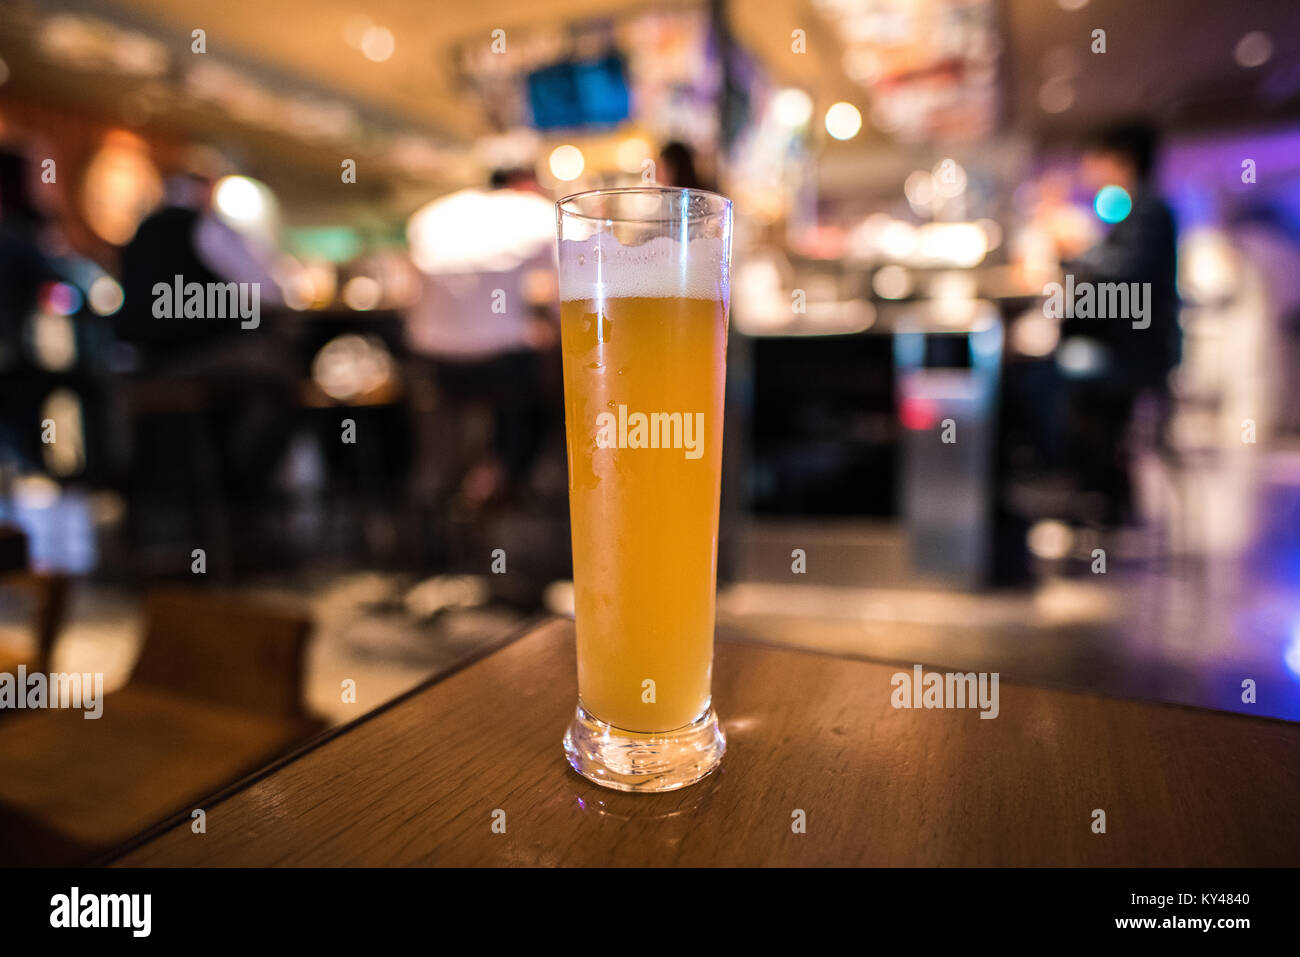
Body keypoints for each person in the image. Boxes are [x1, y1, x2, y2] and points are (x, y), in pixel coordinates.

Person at [1055, 122, 1180, 525]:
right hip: (1130, 347)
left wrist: (1075, 256)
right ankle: (1101, 487)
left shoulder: (1149, 210)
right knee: (1058, 365)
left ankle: (1079, 489)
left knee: (1047, 376)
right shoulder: (1137, 210)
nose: (1088, 171)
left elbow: (1125, 278)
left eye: (1094, 161)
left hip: (1137, 354)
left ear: (1119, 161)